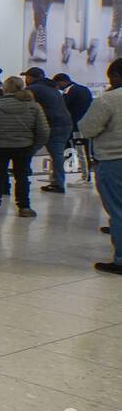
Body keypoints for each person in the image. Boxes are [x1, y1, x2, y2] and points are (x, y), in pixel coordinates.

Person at [0, 76, 48, 218]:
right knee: (22, 177)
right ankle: (24, 207)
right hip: (24, 146)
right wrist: (35, 147)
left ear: (5, 88)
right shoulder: (33, 106)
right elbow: (43, 130)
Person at [77, 58, 122, 274]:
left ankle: (121, 259)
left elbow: (87, 128)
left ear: (115, 76)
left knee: (119, 210)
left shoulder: (108, 100)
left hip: (114, 161)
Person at [22, 67, 72, 194]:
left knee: (28, 149)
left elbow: (23, 106)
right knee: (57, 155)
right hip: (65, 123)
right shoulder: (53, 88)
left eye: (27, 77)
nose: (25, 80)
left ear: (30, 78)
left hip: (51, 125)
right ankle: (58, 182)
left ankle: (23, 173)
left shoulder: (32, 89)